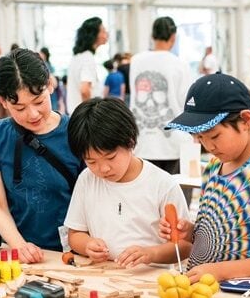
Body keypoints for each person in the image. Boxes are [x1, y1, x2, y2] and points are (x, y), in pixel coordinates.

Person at [160, 73, 250, 283]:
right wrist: (190, 233)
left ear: (245, 120)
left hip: (246, 296)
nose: (208, 146)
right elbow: (223, 233)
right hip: (206, 290)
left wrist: (220, 272)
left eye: (215, 136)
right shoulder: (215, 165)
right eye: (199, 138)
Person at [0, 49, 84, 263]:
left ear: (50, 85)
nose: (32, 114)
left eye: (39, 102)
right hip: (21, 253)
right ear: (3, 101)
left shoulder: (78, 132)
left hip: (75, 254)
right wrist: (19, 246)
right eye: (19, 107)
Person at [65, 97, 190, 268]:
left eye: (110, 157)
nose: (103, 169)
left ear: (130, 142)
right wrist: (87, 245)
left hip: (150, 279)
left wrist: (150, 254)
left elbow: (185, 246)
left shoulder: (162, 184)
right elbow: (75, 234)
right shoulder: (87, 180)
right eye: (91, 162)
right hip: (103, 275)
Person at [130, 16, 192, 175]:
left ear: (152, 36)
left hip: (141, 141)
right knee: (174, 196)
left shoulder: (136, 61)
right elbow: (187, 103)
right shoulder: (180, 64)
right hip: (174, 142)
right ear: (173, 37)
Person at [67, 17, 108, 114]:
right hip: (84, 116)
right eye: (103, 31)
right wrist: (90, 115)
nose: (106, 34)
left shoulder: (78, 56)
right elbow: (85, 90)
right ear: (93, 35)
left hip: (75, 113)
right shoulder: (87, 57)